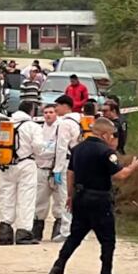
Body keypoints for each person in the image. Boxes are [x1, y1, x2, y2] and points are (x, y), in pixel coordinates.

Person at [48, 118, 138, 274]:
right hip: (99, 199)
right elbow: (120, 175)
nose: (113, 138)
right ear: (104, 134)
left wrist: (70, 196)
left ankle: (58, 266)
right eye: (112, 135)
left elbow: (70, 173)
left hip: (80, 197)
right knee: (107, 239)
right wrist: (133, 167)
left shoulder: (77, 149)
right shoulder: (105, 152)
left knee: (75, 236)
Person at [0, 101, 45, 245]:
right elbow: (38, 146)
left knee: (7, 197)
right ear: (31, 111)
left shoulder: (6, 125)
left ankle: (5, 232)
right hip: (26, 164)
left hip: (7, 165)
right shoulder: (33, 127)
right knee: (26, 198)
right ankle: (23, 233)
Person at [52, 95, 82, 242]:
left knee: (66, 196)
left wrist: (57, 168)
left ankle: (66, 230)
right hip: (81, 162)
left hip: (68, 163)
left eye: (57, 106)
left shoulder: (65, 123)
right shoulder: (80, 120)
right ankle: (78, 228)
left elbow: (61, 147)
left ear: (66, 106)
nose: (55, 109)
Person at [33, 104, 64, 241]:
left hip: (58, 168)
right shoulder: (39, 130)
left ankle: (59, 229)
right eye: (45, 112)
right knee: (40, 200)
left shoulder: (61, 128)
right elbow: (38, 150)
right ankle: (37, 230)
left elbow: (56, 149)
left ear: (56, 113)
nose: (48, 115)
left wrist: (44, 151)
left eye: (51, 112)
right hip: (42, 169)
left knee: (60, 200)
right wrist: (45, 151)